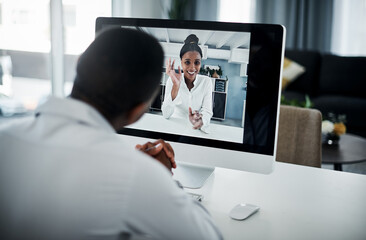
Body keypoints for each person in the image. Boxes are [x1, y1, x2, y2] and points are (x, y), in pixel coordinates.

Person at [0, 28, 222, 240]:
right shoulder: (136, 175)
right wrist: (161, 178)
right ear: (137, 112)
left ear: (79, 64)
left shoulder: (5, 138)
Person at [162, 34, 213, 133]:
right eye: (187, 62)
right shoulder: (172, 80)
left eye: (197, 62)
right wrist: (176, 87)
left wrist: (200, 121)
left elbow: (207, 112)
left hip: (195, 130)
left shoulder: (206, 82)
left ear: (200, 63)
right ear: (181, 62)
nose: (192, 68)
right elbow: (166, 114)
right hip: (174, 128)